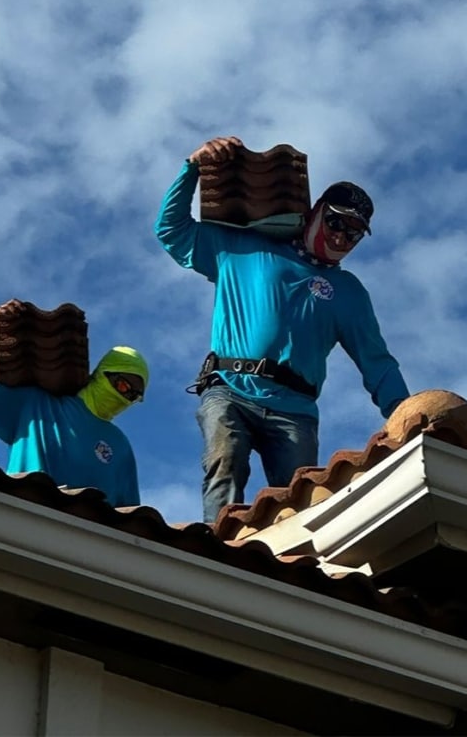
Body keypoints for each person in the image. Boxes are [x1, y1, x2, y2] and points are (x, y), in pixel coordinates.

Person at [155, 135, 410, 523]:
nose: (341, 236)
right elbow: (171, 231)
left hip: (294, 408)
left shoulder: (348, 293)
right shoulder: (243, 248)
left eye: (353, 232)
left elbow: (378, 364)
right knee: (226, 459)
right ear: (315, 212)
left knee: (300, 500)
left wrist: (404, 418)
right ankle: (218, 543)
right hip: (231, 386)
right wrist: (191, 167)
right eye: (336, 222)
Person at [0, 299, 147, 507]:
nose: (126, 397)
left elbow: (128, 514)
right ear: (102, 374)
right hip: (24, 520)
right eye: (123, 386)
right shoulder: (36, 407)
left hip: (82, 537)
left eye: (134, 395)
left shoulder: (120, 446)